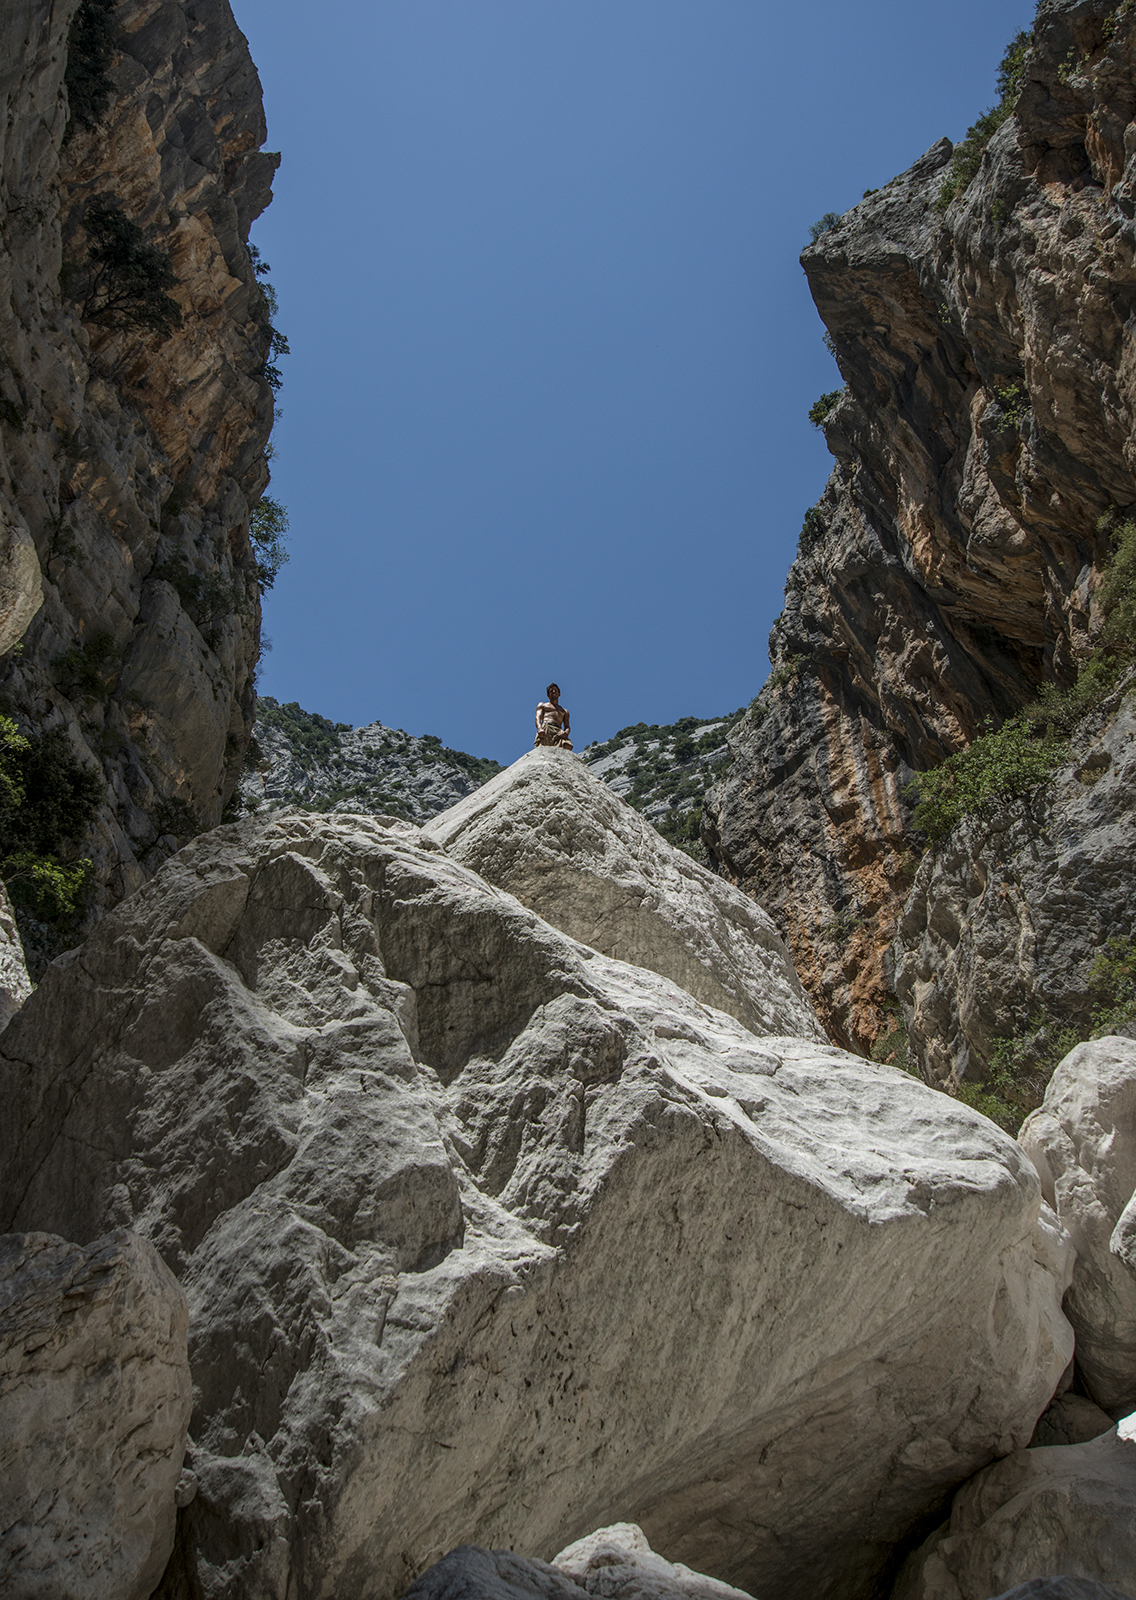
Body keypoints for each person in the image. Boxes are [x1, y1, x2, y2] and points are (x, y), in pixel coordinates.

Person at [534, 683, 572, 750]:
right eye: (551, 691)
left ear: (559, 694)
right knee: (542, 749)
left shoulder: (564, 711)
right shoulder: (543, 705)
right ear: (548, 695)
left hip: (558, 731)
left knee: (567, 746)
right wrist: (540, 728)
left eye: (555, 690)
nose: (553, 692)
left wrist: (566, 732)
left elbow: (567, 726)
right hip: (547, 727)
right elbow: (537, 718)